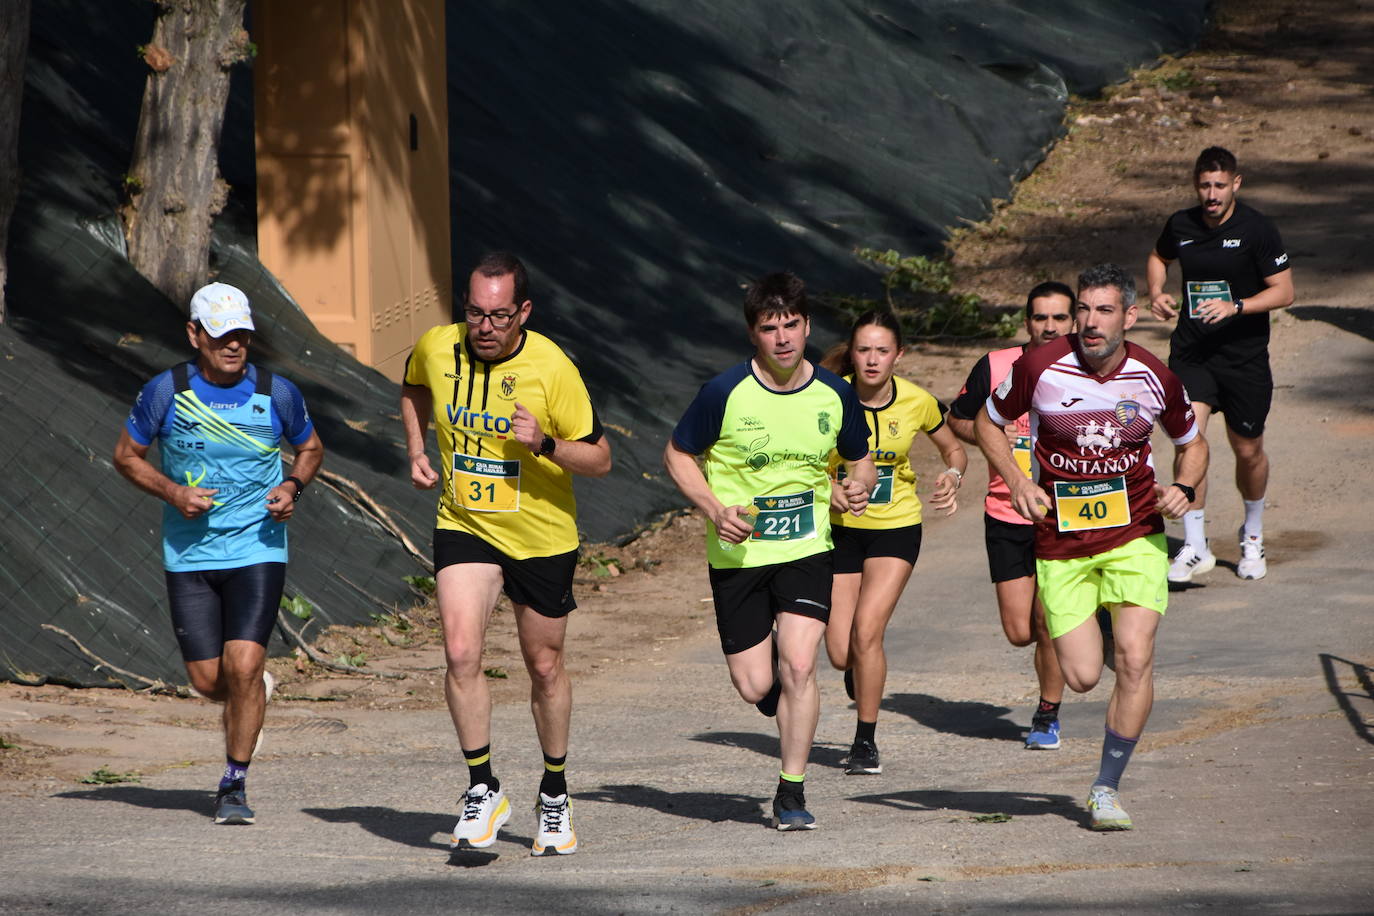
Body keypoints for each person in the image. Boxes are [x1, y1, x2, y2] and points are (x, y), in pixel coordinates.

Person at [974, 264, 1207, 831]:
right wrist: (1021, 478)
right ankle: (1103, 626)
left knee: (1134, 658)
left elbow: (1193, 445)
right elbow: (986, 421)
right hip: (1063, 542)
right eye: (1083, 309)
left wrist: (1183, 487)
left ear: (1129, 316)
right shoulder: (1040, 366)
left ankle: (1106, 787)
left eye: (1103, 311)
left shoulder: (1155, 376)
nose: (1089, 322)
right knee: (1080, 676)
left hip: (1135, 536)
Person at [400, 252, 610, 856]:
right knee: (461, 650)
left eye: (498, 316)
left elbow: (600, 459)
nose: (484, 327)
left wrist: (543, 442)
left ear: (523, 311)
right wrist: (417, 448)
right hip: (466, 522)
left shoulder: (552, 367)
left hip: (542, 537)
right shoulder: (439, 347)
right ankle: (482, 786)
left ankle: (554, 793)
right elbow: (414, 386)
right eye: (474, 313)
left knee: (543, 667)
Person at [664, 272, 876, 831]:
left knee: (802, 664)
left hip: (808, 546)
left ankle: (791, 791)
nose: (782, 338)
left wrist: (859, 485)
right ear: (753, 335)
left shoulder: (836, 392)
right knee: (758, 684)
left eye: (791, 325)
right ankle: (781, 691)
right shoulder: (724, 392)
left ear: (807, 327)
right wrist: (714, 509)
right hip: (739, 555)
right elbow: (678, 454)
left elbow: (861, 459)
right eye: (768, 328)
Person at [113, 282, 323, 826]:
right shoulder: (165, 393)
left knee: (245, 662)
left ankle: (233, 783)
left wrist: (292, 488)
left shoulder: (277, 393)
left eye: (243, 336)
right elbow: (127, 457)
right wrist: (174, 492)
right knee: (211, 682)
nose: (234, 346)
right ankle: (251, 692)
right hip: (190, 555)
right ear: (194, 334)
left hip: (257, 546)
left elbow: (311, 447)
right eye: (222, 335)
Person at [820, 309, 964, 776]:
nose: (872, 359)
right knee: (841, 651)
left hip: (895, 527)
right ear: (853, 353)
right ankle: (855, 669)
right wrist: (829, 487)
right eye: (864, 349)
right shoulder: (827, 398)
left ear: (898, 355)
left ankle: (865, 741)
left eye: (883, 350)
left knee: (868, 632)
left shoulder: (918, 401)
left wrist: (953, 473)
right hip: (839, 528)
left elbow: (954, 447)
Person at [1146, 146, 1294, 582]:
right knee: (1189, 439)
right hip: (1193, 354)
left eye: (1219, 185)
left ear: (1236, 184)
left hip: (1244, 358)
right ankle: (1195, 545)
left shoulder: (1257, 229)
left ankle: (1252, 534)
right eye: (1205, 185)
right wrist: (1156, 291)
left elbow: (1284, 292)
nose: (1211, 194)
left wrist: (1237, 306)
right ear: (1197, 185)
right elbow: (1159, 257)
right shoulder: (1181, 224)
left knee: (1248, 451)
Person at [948, 282, 1074, 750]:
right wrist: (994, 435)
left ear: (1074, 322)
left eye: (1060, 318)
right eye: (1041, 318)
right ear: (1027, 322)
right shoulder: (998, 364)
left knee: (1047, 621)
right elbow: (957, 418)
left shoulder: (1087, 371)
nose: (1050, 326)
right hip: (1005, 511)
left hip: (1064, 515)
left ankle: (1047, 714)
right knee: (1020, 630)